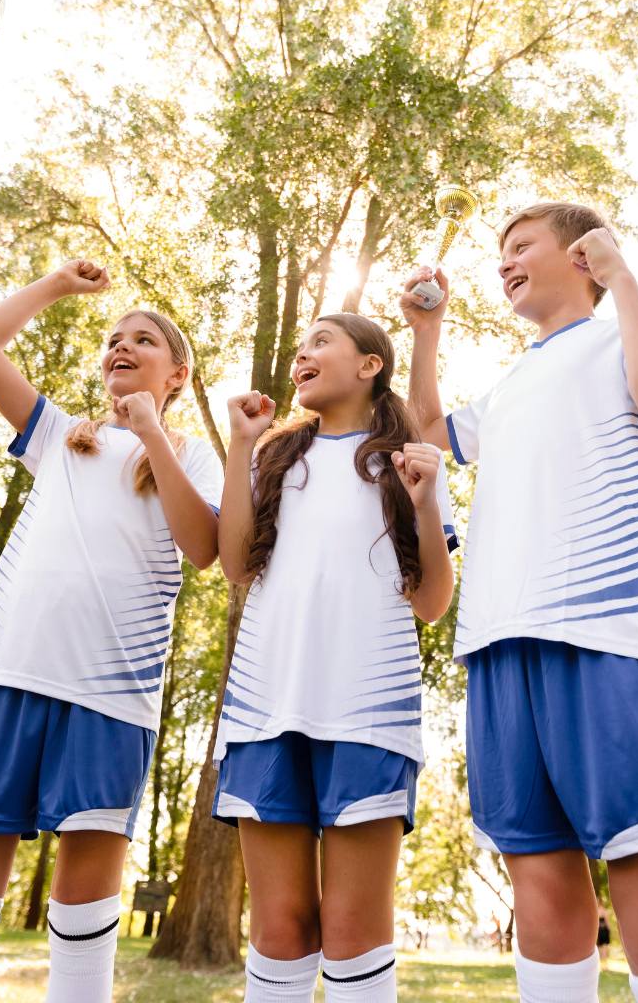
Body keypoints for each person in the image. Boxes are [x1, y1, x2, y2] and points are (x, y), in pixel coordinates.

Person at [403, 204, 638, 1003]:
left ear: (580, 255)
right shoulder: (509, 384)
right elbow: (426, 431)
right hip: (496, 643)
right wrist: (424, 333)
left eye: (520, 247)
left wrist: (623, 278)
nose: (504, 263)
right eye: (499, 252)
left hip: (604, 634)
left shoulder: (628, 329)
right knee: (538, 881)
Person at [0, 260, 222, 1002]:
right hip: (7, 675)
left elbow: (205, 549)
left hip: (111, 699)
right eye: (112, 339)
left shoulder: (193, 455)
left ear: (178, 374)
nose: (121, 347)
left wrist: (153, 438)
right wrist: (58, 288)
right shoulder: (61, 437)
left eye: (143, 340)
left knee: (83, 910)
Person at [215, 314, 456, 1002]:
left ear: (370, 363)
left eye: (320, 341)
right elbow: (236, 565)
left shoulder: (405, 462)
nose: (302, 355)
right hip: (264, 712)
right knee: (280, 930)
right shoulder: (274, 455)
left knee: (353, 932)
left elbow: (433, 602)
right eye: (299, 347)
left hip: (368, 717)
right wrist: (239, 446)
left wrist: (426, 501)